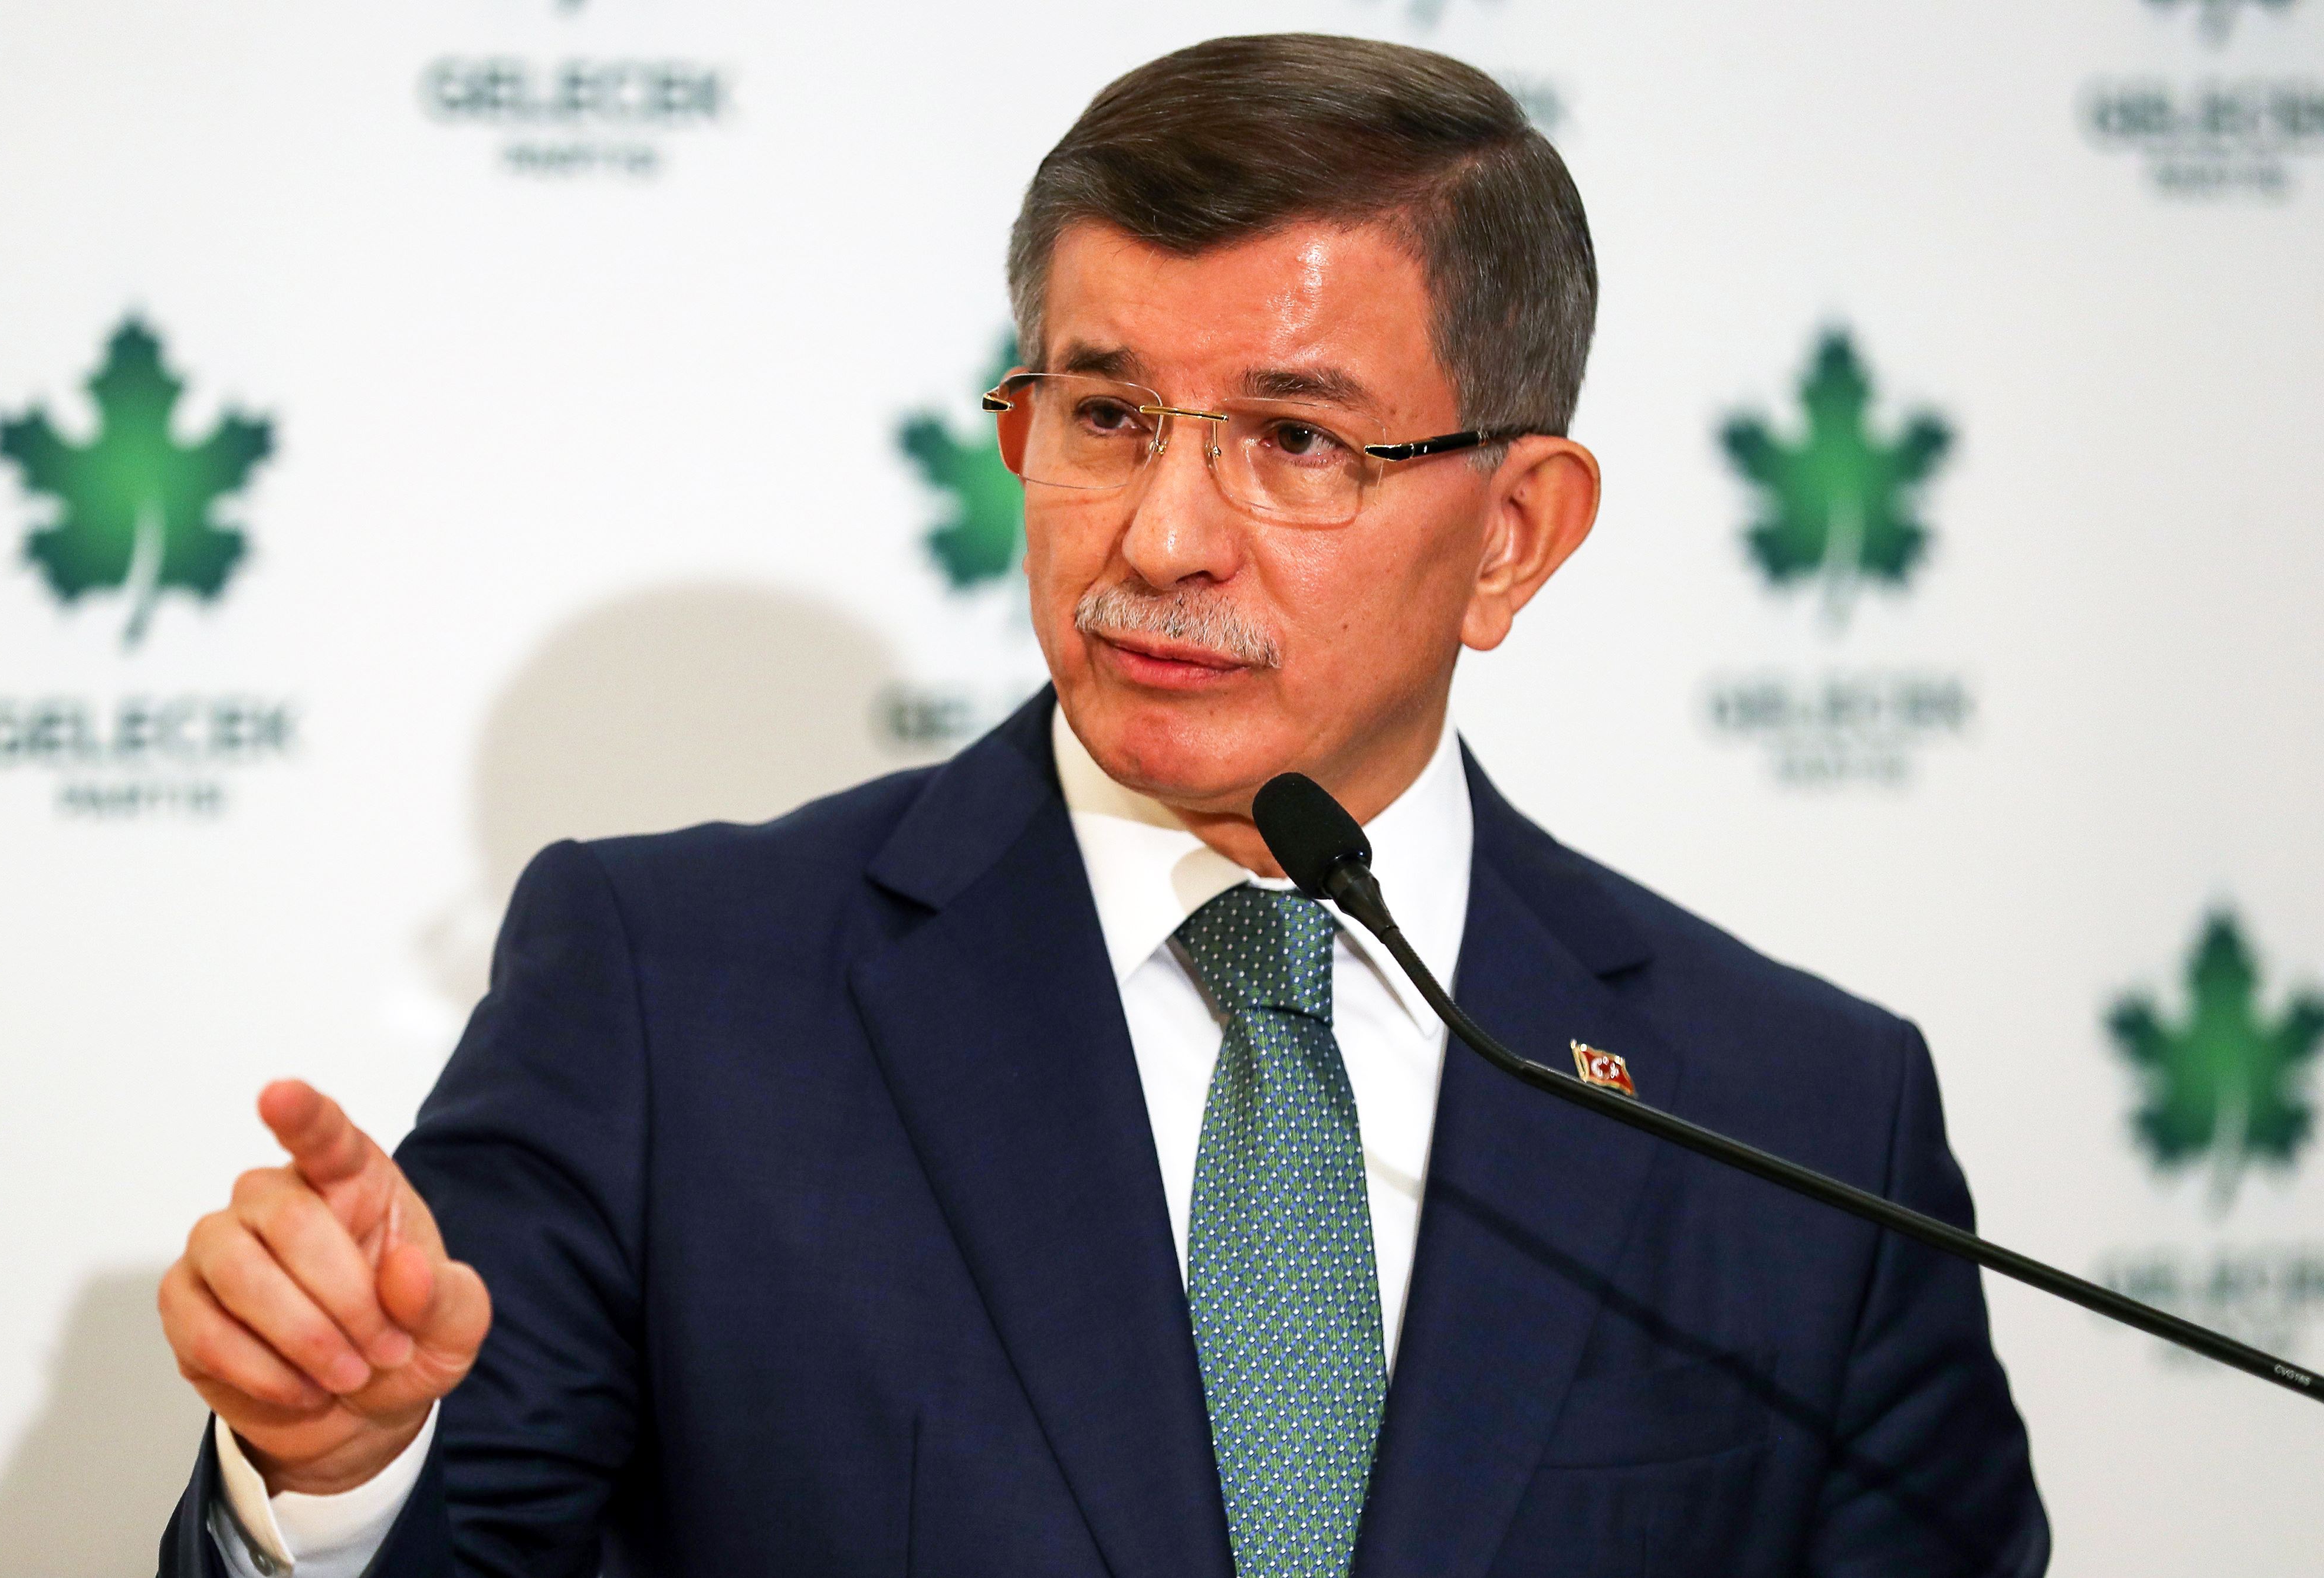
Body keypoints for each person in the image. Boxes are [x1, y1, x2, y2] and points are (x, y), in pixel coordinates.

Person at [157, 33, 2047, 1578]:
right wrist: (338, 1471)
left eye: (1295, 438)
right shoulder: (674, 995)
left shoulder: (1802, 1118)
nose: (1159, 537)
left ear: (1516, 532)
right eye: (1108, 414)